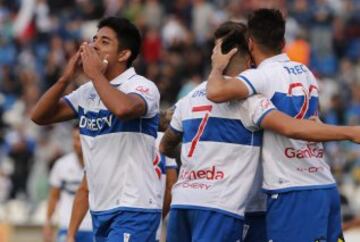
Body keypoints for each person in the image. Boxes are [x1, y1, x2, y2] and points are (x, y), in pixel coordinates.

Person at [160, 21, 360, 242]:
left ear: (216, 56)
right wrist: (348, 132)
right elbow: (290, 127)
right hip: (240, 207)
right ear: (249, 56)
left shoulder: (189, 98)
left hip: (186, 202)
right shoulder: (253, 102)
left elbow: (165, 141)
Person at [207, 8, 348, 242]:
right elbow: (315, 120)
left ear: (250, 43)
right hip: (324, 183)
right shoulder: (305, 72)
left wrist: (217, 65)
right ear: (283, 41)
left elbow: (215, 91)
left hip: (291, 190)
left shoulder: (262, 76)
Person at [31, 17, 161, 242]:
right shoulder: (87, 92)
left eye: (105, 41)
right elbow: (39, 116)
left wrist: (95, 75)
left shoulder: (142, 86)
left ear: (124, 55)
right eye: (94, 39)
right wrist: (65, 78)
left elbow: (123, 108)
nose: (94, 46)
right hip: (101, 209)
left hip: (133, 206)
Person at [42, 126, 93, 242]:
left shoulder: (98, 165)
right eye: (75, 139)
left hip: (92, 226)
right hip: (66, 225)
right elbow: (53, 197)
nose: (78, 144)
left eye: (80, 139)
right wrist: (48, 223)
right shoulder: (61, 165)